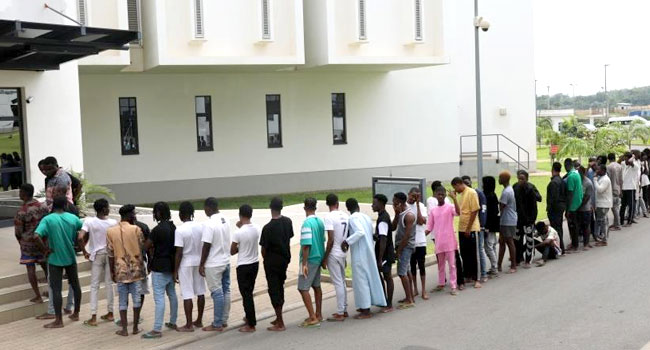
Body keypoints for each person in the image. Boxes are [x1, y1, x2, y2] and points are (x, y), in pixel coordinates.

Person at [34, 196, 83, 328]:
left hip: (55, 258)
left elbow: (36, 235)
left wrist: (45, 250)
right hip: (71, 257)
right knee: (75, 285)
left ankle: (58, 320)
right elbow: (84, 231)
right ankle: (76, 313)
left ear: (53, 206)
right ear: (66, 205)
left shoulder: (48, 219)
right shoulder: (73, 218)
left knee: (56, 289)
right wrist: (81, 245)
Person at [342, 198, 386, 319]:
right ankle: (364, 305)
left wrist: (347, 241)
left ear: (347, 208)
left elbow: (360, 232)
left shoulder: (353, 218)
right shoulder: (365, 217)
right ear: (358, 206)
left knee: (361, 281)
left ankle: (366, 310)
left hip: (360, 254)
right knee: (368, 278)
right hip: (368, 251)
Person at [106, 205, 145, 336]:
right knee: (137, 300)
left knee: (122, 301)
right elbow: (142, 248)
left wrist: (112, 271)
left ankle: (124, 329)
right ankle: (135, 327)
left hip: (120, 270)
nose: (135, 216)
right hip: (136, 270)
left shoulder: (110, 231)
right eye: (133, 214)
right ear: (128, 215)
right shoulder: (136, 230)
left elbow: (110, 254)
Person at [142, 202, 178, 339]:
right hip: (171, 266)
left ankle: (157, 329)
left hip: (159, 267)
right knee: (172, 294)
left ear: (158, 213)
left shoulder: (157, 230)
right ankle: (173, 322)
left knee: (159, 298)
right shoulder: (173, 227)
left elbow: (146, 247)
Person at [78, 199, 117, 326]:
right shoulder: (113, 222)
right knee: (109, 284)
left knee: (94, 286)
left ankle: (93, 316)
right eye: (108, 206)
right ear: (104, 208)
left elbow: (80, 237)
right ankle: (110, 313)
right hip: (110, 254)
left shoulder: (89, 221)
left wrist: (84, 251)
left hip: (96, 255)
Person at [259, 197, 293, 331]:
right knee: (280, 287)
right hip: (284, 260)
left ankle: (280, 322)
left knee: (274, 290)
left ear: (270, 207)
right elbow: (289, 239)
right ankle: (278, 317)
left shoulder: (267, 228)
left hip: (272, 262)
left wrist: (266, 260)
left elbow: (263, 250)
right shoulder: (288, 222)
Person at [199, 197, 231, 332]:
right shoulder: (226, 219)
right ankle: (224, 320)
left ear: (208, 207)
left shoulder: (209, 223)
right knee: (226, 290)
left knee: (217, 293)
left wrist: (201, 264)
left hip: (213, 263)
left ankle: (217, 323)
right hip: (226, 261)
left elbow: (206, 245)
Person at [14, 183, 50, 304]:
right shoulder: (43, 206)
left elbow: (18, 231)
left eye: (20, 192)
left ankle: (38, 296)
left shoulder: (21, 211)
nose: (19, 194)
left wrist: (21, 241)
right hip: (42, 242)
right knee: (46, 266)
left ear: (24, 194)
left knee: (30, 268)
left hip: (28, 244)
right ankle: (51, 291)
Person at [231, 204, 261, 332]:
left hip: (243, 265)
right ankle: (249, 316)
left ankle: (251, 323)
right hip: (255, 263)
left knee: (246, 295)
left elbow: (232, 251)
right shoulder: (257, 228)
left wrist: (240, 247)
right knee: (249, 292)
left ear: (240, 215)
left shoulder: (238, 232)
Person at [426, 186, 459, 295]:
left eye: (442, 194)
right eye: (438, 194)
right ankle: (441, 283)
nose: (440, 196)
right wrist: (420, 236)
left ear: (445, 195)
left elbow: (458, 213)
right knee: (440, 265)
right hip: (439, 242)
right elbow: (429, 227)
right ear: (435, 195)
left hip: (449, 241)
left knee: (452, 264)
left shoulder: (450, 207)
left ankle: (454, 285)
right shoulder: (433, 211)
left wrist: (454, 199)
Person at [297, 197, 325, 328]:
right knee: (316, 286)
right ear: (315, 207)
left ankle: (312, 317)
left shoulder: (306, 224)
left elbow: (306, 245)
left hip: (310, 259)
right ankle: (318, 314)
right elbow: (323, 240)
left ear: (304, 208)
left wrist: (304, 264)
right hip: (319, 257)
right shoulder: (319, 221)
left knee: (303, 288)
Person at [322, 194, 350, 322]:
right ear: (337, 203)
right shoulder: (345, 215)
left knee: (338, 282)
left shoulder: (328, 217)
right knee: (342, 281)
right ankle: (344, 309)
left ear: (327, 204)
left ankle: (340, 312)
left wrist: (325, 257)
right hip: (343, 252)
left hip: (334, 252)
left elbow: (330, 239)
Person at [451, 177, 482, 288]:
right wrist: (454, 198)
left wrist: (469, 228)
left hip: (472, 228)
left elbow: (474, 211)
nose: (455, 190)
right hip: (462, 228)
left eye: (455, 187)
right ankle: (468, 275)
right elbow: (459, 212)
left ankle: (477, 278)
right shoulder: (462, 194)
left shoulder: (471, 193)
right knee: (465, 254)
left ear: (459, 184)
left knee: (474, 254)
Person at [392, 192, 416, 308]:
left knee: (402, 272)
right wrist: (396, 213)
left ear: (400, 203)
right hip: (402, 246)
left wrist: (399, 251)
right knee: (406, 271)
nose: (393, 204)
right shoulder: (401, 213)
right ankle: (409, 296)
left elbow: (407, 236)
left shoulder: (409, 215)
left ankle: (409, 300)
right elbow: (393, 227)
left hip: (406, 247)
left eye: (394, 202)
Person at [513, 170, 542, 268]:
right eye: (519, 178)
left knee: (529, 239)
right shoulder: (515, 187)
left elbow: (534, 206)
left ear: (527, 179)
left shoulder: (530, 189)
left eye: (522, 179)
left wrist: (532, 220)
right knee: (517, 239)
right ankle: (518, 258)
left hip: (528, 219)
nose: (520, 181)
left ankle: (528, 260)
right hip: (518, 219)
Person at [462, 176, 488, 283]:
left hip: (478, 227)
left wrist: (482, 225)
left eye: (468, 183)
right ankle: (470, 273)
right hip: (467, 227)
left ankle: (483, 273)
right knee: (469, 251)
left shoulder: (477, 193)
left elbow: (483, 210)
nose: (467, 186)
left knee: (479, 250)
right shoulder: (464, 194)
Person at [372, 194, 395, 313]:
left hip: (385, 254)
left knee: (387, 276)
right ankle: (384, 300)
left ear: (381, 204)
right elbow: (381, 236)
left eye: (374, 203)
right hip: (384, 252)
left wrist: (380, 258)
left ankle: (389, 304)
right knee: (382, 276)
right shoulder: (382, 217)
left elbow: (384, 239)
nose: (372, 205)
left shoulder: (383, 219)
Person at [406, 187, 428, 300]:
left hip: (420, 240)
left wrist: (418, 204)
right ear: (408, 194)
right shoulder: (405, 206)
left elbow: (420, 221)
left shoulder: (422, 206)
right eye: (413, 195)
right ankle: (415, 289)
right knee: (412, 266)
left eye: (417, 196)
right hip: (410, 242)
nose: (414, 198)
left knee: (422, 265)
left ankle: (424, 290)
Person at [498, 171, 517, 274]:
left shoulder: (506, 192)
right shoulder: (508, 189)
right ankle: (498, 265)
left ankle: (513, 265)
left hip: (508, 220)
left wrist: (498, 203)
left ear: (504, 179)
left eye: (500, 178)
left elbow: (501, 207)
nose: (499, 180)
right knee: (501, 242)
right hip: (506, 220)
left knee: (509, 242)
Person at [547, 162, 567, 254]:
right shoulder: (562, 180)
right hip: (561, 207)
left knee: (555, 229)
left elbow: (552, 199)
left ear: (553, 170)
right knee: (559, 228)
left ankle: (559, 248)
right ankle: (560, 247)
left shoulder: (553, 183)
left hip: (555, 209)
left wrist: (549, 209)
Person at [565, 158, 584, 252]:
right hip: (578, 203)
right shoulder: (576, 173)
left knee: (572, 226)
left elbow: (570, 194)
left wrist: (567, 209)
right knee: (574, 225)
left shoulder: (571, 177)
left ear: (566, 166)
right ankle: (573, 243)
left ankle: (574, 245)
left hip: (573, 205)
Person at [482, 177, 500, 277]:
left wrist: (486, 226)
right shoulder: (493, 194)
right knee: (492, 245)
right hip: (494, 223)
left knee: (488, 246)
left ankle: (494, 267)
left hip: (489, 224)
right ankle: (494, 266)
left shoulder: (487, 196)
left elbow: (488, 213)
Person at [594, 164, 612, 247]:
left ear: (604, 171)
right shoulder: (601, 178)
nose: (597, 171)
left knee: (602, 222)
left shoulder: (605, 179)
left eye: (599, 170)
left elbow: (600, 190)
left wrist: (594, 180)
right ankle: (601, 237)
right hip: (601, 203)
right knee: (600, 221)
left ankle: (604, 240)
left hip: (603, 204)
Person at [578, 166, 594, 250]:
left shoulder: (588, 183)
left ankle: (586, 243)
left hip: (585, 208)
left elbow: (587, 197)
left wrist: (578, 206)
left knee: (586, 226)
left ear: (583, 173)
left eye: (579, 172)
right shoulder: (578, 181)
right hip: (577, 208)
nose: (578, 174)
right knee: (577, 226)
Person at [607, 153, 623, 231]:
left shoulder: (609, 167)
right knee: (616, 207)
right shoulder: (619, 166)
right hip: (618, 188)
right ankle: (615, 223)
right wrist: (621, 189)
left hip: (611, 189)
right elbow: (621, 179)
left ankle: (617, 225)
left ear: (608, 159)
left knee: (614, 208)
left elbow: (608, 179)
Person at [620, 152, 637, 227]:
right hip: (624, 187)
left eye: (626, 158)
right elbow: (621, 161)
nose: (625, 160)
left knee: (631, 205)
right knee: (623, 205)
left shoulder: (635, 165)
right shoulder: (623, 164)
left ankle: (629, 221)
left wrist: (632, 157)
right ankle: (621, 220)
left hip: (631, 188)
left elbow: (630, 162)